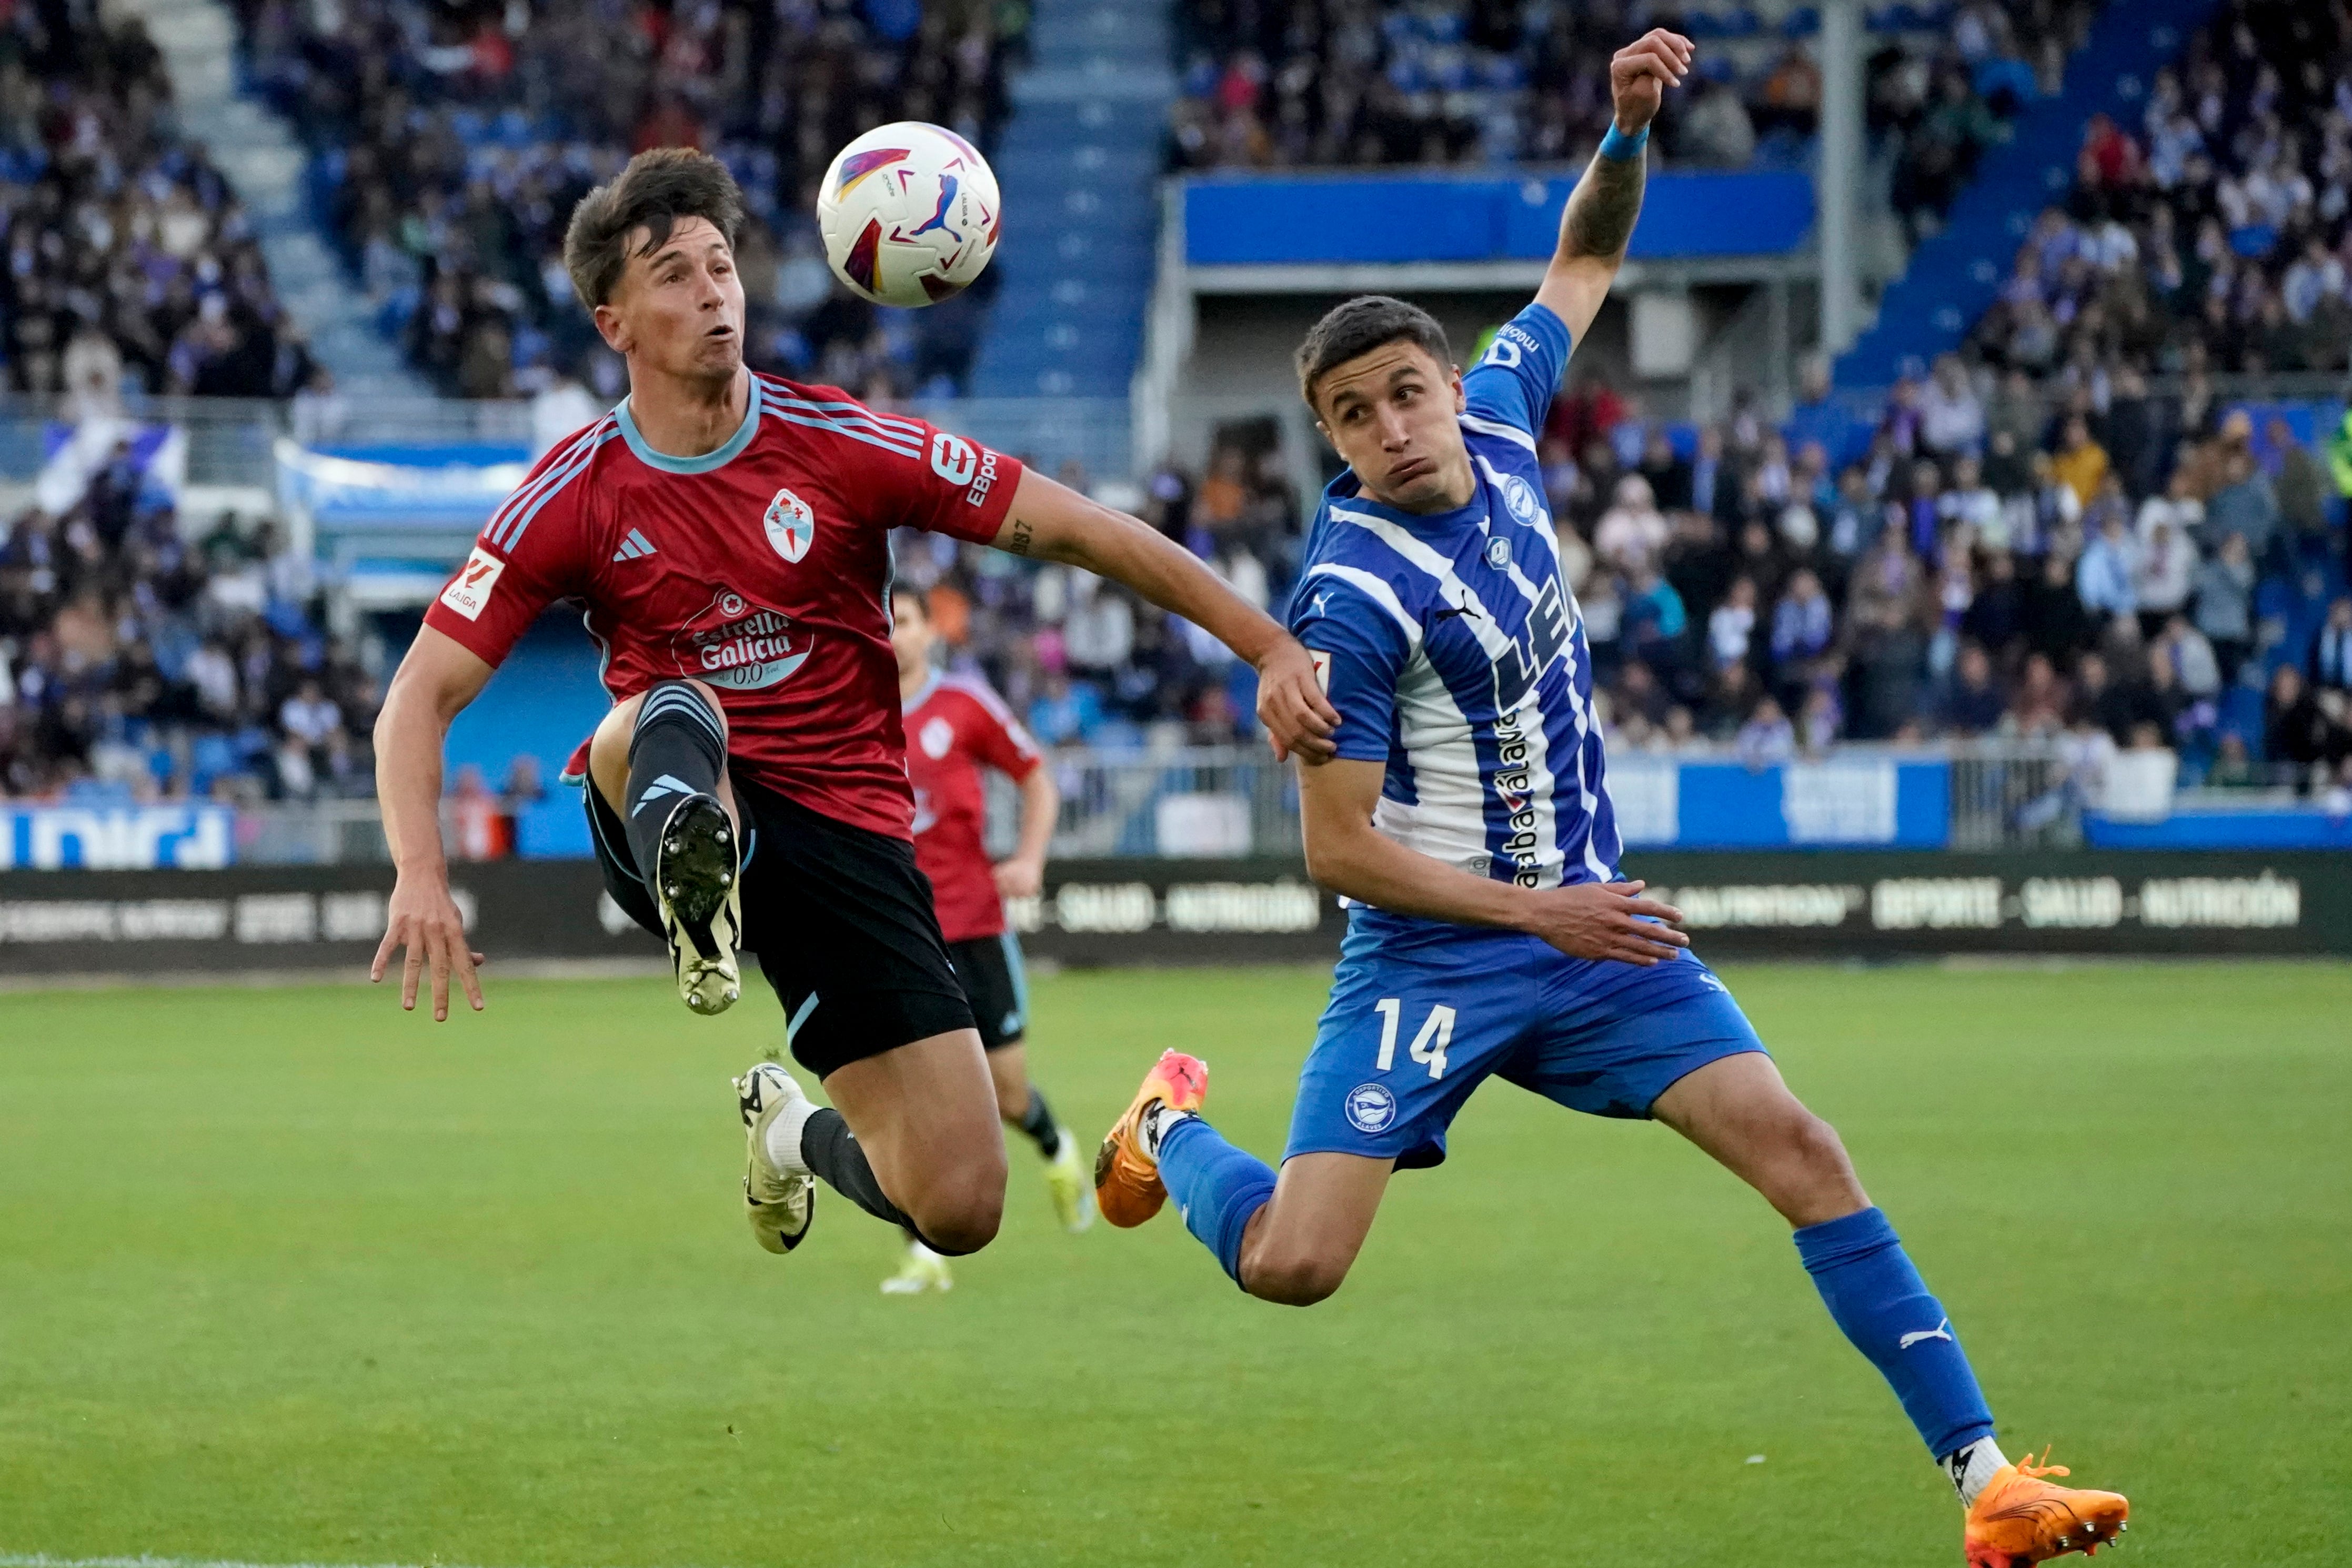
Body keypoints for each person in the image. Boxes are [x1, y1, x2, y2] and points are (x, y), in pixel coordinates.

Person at [1086, 32, 2127, 1568]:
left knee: (1803, 1149)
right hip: (1441, 949)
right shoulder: (1346, 604)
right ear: (1329, 438)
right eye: (1353, 415)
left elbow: (1579, 257)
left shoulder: (1504, 415)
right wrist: (1533, 908)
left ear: (1449, 384)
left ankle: (1984, 1478)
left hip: (1588, 933)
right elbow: (1336, 848)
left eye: (1403, 392)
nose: (1390, 425)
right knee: (1294, 1265)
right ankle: (1165, 1125)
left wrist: (1628, 126)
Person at [368, 149, 1336, 1270]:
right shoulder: (575, 492)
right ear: (613, 322)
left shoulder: (841, 445)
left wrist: (1265, 642)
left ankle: (788, 1126)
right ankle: (700, 888)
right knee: (664, 707)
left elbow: (1083, 528)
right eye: (674, 275)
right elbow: (417, 697)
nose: (712, 292)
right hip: (672, 791)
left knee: (962, 1203)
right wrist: (421, 871)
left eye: (722, 266)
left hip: (852, 841)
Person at [879, 584, 1091, 1295]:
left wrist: (1029, 858)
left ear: (928, 633)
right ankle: (922, 1253)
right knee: (908, 1103)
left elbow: (1036, 778)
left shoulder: (964, 703)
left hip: (973, 925)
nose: (890, 634)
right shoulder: (847, 709)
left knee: (1003, 1096)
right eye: (879, 623)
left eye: (902, 622)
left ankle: (1057, 1146)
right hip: (897, 936)